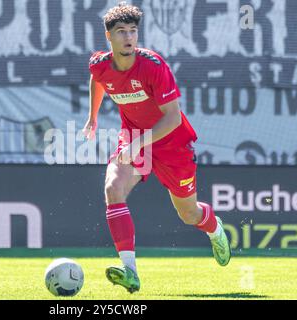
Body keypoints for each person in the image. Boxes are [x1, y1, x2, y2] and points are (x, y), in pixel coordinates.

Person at [82, 2, 231, 294]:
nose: (128, 37)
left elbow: (173, 118)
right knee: (113, 188)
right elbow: (98, 80)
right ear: (108, 37)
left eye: (133, 31)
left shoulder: (152, 65)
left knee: (188, 214)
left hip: (172, 143)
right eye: (121, 31)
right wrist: (92, 116)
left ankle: (214, 227)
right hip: (136, 137)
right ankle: (131, 271)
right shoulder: (99, 64)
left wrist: (138, 142)